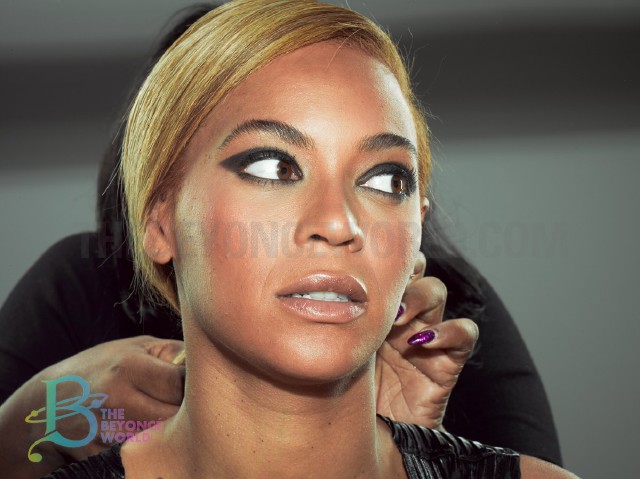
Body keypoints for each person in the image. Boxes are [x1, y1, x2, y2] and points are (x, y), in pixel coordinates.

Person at [0, 3, 563, 478]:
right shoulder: (79, 286)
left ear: (418, 216)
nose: (338, 223)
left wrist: (400, 448)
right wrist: (40, 412)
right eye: (271, 167)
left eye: (385, 178)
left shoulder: (451, 313)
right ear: (159, 217)